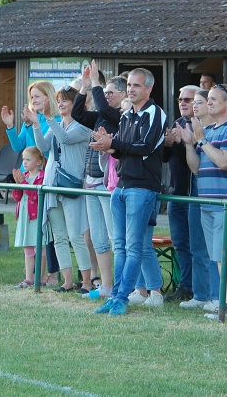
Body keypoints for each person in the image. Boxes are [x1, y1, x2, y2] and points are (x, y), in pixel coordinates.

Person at [91, 68, 167, 317]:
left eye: (136, 85)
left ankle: (122, 298)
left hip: (142, 187)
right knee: (121, 247)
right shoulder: (125, 116)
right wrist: (107, 145)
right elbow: (123, 149)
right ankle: (116, 296)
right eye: (130, 85)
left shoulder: (155, 113)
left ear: (148, 89)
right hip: (122, 186)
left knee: (134, 247)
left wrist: (113, 144)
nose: (131, 89)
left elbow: (145, 147)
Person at [181, 84, 227, 320]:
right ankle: (223, 303)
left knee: (224, 255)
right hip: (208, 203)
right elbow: (196, 168)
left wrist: (201, 140)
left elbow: (223, 161)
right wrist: (190, 144)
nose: (208, 102)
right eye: (207, 99)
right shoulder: (208, 130)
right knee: (217, 256)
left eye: (212, 99)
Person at [72, 61, 125, 298]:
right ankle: (106, 286)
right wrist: (84, 87)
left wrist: (96, 83)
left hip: (107, 184)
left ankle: (122, 286)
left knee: (115, 237)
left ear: (123, 95)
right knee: (98, 239)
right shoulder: (101, 117)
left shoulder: (118, 116)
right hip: (91, 182)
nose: (106, 97)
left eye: (111, 93)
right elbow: (77, 113)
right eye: (105, 93)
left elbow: (103, 108)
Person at [1, 80, 61, 286]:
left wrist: (33, 124)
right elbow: (18, 146)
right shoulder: (30, 119)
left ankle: (52, 273)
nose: (33, 100)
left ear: (48, 97)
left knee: (48, 228)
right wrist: (11, 126)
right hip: (28, 177)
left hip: (45, 176)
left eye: (37, 96)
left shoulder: (54, 119)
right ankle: (33, 273)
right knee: (32, 226)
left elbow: (42, 148)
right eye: (31, 97)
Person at [34, 85, 93, 292]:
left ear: (76, 104)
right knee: (59, 236)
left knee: (76, 235)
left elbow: (65, 139)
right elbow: (43, 147)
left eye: (65, 100)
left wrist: (49, 118)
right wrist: (36, 124)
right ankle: (67, 281)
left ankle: (86, 281)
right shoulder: (56, 124)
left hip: (71, 186)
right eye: (59, 100)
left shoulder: (83, 127)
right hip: (53, 185)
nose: (60, 104)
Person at [161, 85, 201, 303]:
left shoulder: (203, 124)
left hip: (195, 194)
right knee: (180, 244)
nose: (183, 103)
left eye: (188, 99)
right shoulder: (176, 123)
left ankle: (200, 288)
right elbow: (165, 158)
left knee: (197, 245)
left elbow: (198, 162)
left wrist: (184, 142)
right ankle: (185, 285)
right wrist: (167, 144)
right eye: (180, 99)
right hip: (176, 193)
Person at [11, 146, 48, 288]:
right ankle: (28, 278)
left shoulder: (42, 177)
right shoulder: (25, 176)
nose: (24, 162)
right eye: (23, 159)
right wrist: (17, 184)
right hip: (25, 215)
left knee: (39, 247)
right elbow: (17, 197)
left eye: (28, 159)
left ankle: (39, 277)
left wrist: (23, 183)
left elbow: (35, 196)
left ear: (38, 162)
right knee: (27, 246)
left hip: (36, 216)